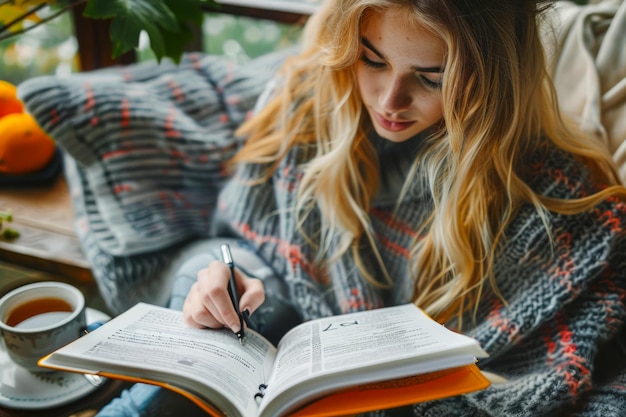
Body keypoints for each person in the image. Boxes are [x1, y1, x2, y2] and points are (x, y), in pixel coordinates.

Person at [97, 0, 626, 416]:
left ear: (493, 81)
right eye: (373, 59)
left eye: (431, 77)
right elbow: (234, 240)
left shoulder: (559, 197)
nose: (388, 99)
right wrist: (224, 281)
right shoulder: (311, 106)